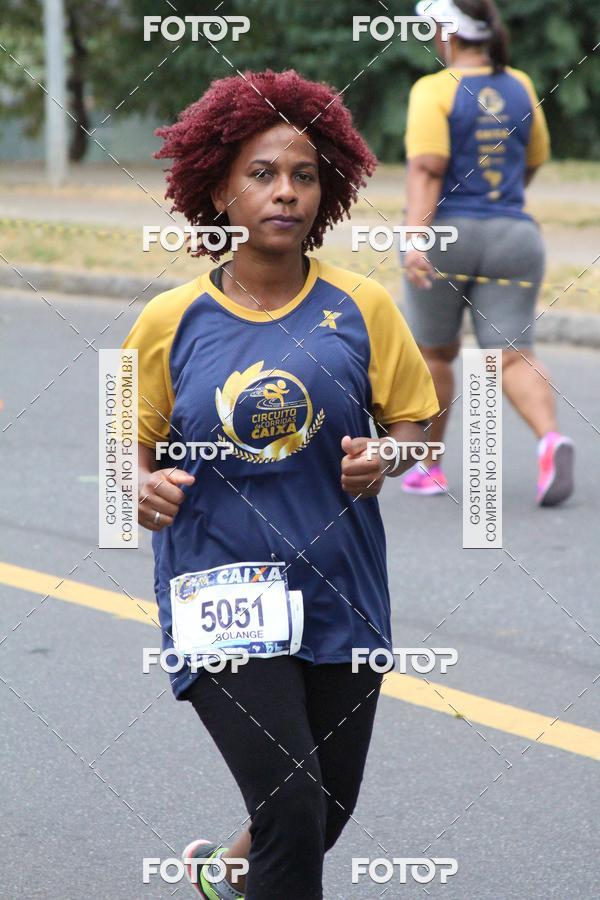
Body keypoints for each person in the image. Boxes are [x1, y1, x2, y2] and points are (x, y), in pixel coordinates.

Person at [122, 70, 440, 899]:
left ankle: (225, 873)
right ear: (220, 190)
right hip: (219, 589)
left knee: (324, 806)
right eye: (262, 174)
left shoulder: (363, 306)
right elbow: (132, 444)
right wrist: (141, 484)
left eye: (303, 175)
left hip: (342, 588)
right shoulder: (168, 322)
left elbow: (415, 426)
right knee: (292, 801)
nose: (286, 192)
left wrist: (388, 459)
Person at [400, 0, 575, 505]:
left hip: (449, 235)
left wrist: (415, 239)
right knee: (513, 355)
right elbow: (534, 157)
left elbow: (428, 170)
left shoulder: (433, 89)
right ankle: (550, 440)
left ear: (447, 34)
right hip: (514, 235)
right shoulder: (520, 85)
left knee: (435, 352)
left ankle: (429, 468)